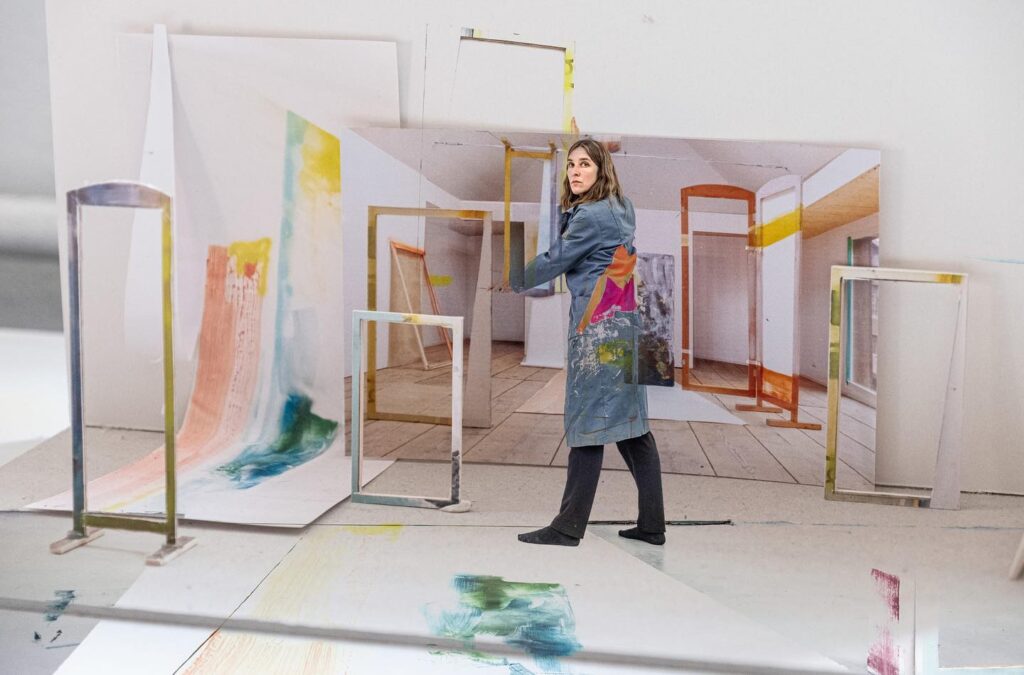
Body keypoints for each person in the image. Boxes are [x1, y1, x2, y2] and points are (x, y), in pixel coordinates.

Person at [512, 138, 666, 547]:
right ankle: (652, 525)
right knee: (633, 428)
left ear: (601, 170)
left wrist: (515, 279)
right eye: (571, 165)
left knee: (586, 424)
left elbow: (555, 260)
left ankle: (567, 527)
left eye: (585, 164)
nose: (575, 171)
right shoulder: (622, 207)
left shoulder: (591, 216)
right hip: (627, 323)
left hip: (599, 328)